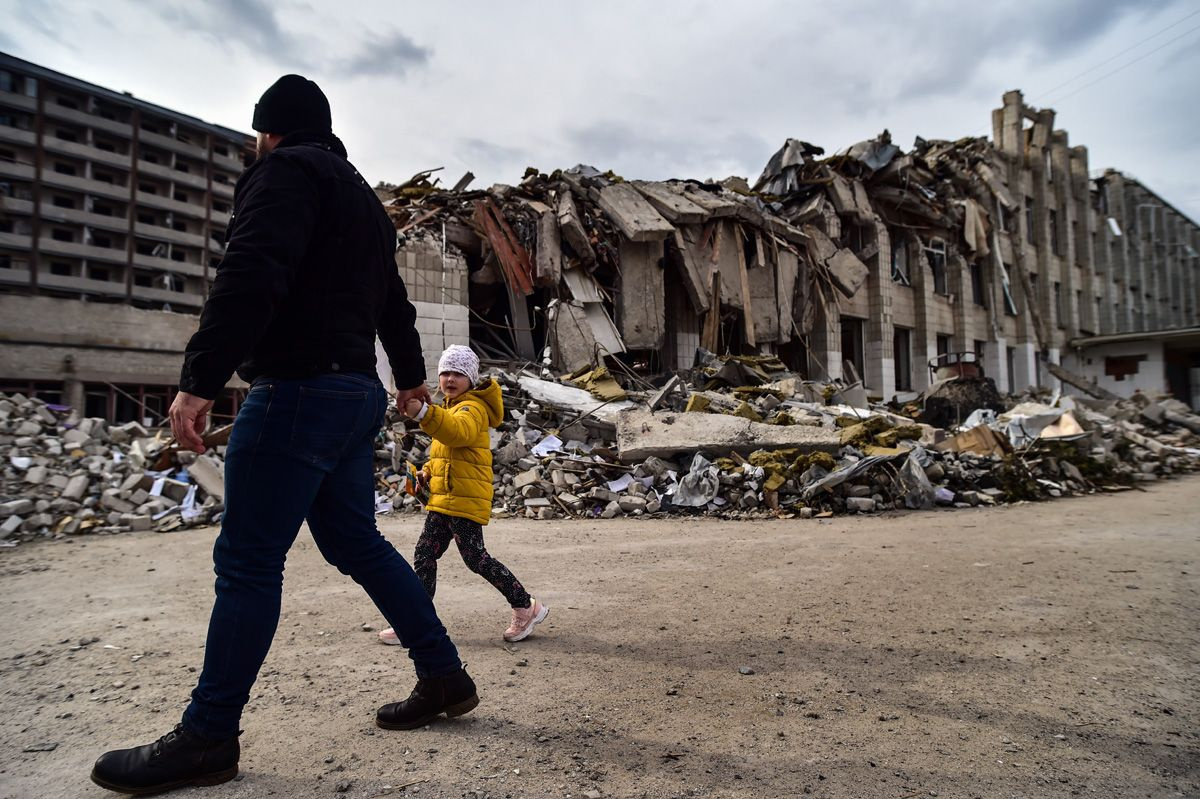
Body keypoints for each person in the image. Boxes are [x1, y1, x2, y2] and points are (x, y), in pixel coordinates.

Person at [90, 75, 477, 797]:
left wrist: (200, 376)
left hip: (297, 389)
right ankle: (444, 673)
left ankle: (208, 735)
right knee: (355, 541)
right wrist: (412, 380)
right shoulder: (363, 199)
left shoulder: (282, 172)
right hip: (355, 393)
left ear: (269, 131)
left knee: (247, 560)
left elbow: (251, 270)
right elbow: (393, 301)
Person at [377, 345, 548, 646]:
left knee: (476, 559)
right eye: (445, 372)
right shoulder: (452, 408)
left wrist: (424, 413)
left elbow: (457, 433)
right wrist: (427, 470)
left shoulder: (472, 409)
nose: (450, 378)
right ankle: (416, 621)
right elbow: (450, 452)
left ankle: (525, 605)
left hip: (464, 499)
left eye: (458, 373)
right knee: (424, 555)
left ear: (471, 377)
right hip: (444, 500)